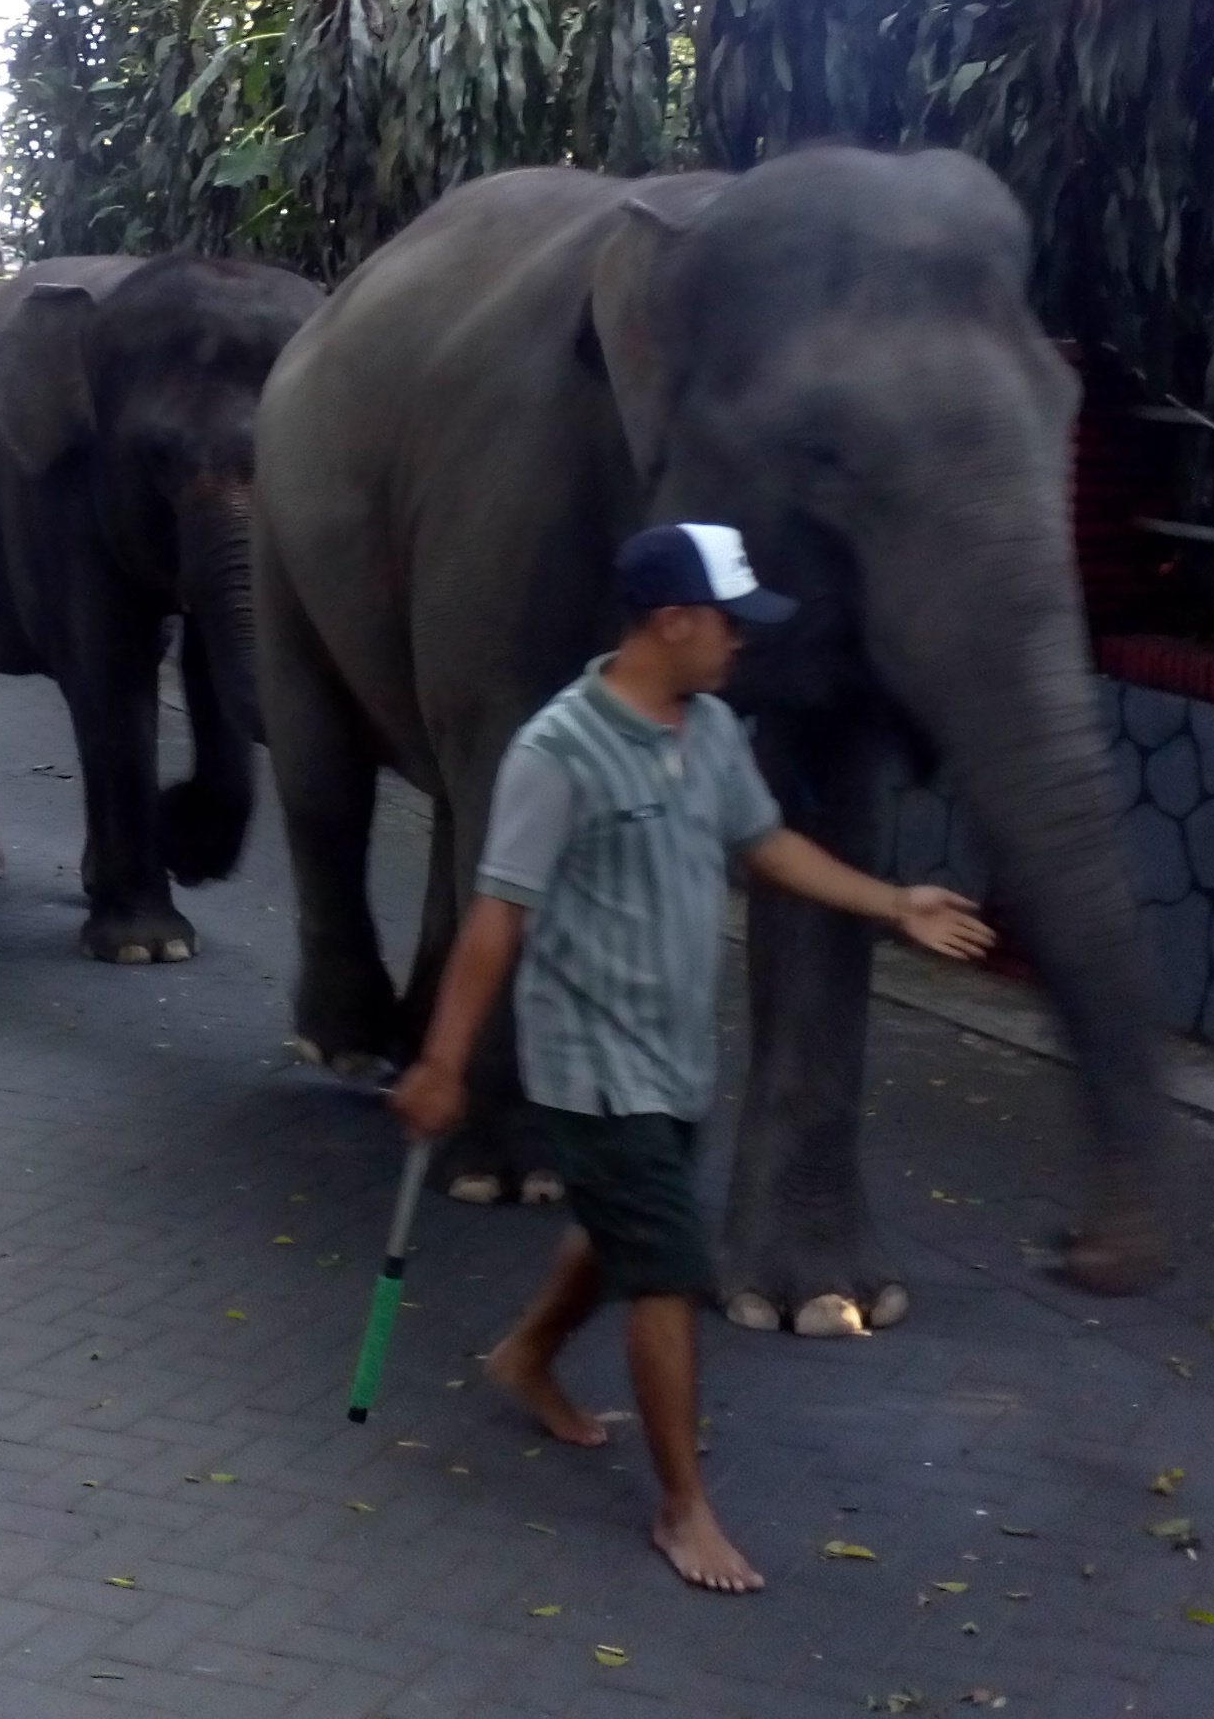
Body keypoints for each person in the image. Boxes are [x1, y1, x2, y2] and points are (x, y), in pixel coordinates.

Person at [391, 521, 996, 1595]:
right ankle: (684, 1507)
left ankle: (525, 1355)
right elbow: (496, 916)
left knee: (630, 1218)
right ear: (672, 621)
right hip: (586, 1059)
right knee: (668, 1268)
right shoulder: (556, 750)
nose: (741, 645)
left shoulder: (711, 729)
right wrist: (443, 1063)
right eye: (730, 624)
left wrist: (893, 902)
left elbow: (766, 844)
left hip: (672, 1052)